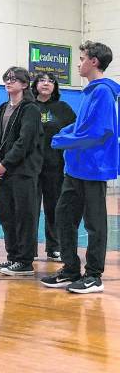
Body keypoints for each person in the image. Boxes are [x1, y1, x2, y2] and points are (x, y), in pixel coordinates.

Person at [41, 41, 119, 294]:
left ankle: (94, 276)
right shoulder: (88, 93)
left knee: (95, 223)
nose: (78, 63)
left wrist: (63, 141)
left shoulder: (103, 93)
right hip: (74, 168)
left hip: (93, 168)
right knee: (64, 217)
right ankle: (71, 269)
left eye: (82, 57)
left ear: (94, 61)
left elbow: (99, 133)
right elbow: (81, 127)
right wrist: (64, 132)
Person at [0, 67, 43, 276]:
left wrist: (5, 164)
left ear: (25, 84)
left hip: (22, 172)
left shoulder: (31, 110)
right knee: (6, 215)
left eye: (14, 79)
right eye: (6, 79)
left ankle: (25, 261)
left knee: (24, 215)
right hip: (2, 173)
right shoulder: (1, 109)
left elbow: (24, 141)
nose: (9, 82)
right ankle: (13, 257)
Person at [31, 72, 76, 261]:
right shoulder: (27, 107)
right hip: (30, 167)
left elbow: (76, 131)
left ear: (55, 86)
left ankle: (54, 247)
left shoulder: (63, 108)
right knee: (30, 209)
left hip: (54, 166)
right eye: (42, 80)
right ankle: (28, 250)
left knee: (54, 208)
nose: (46, 84)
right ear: (35, 85)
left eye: (51, 81)